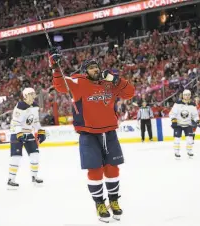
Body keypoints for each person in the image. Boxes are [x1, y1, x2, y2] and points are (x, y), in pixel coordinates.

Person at [49, 48, 135, 223]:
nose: (95, 70)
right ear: (85, 72)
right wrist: (55, 66)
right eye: (91, 68)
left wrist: (116, 79)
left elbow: (130, 93)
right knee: (95, 171)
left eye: (96, 67)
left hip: (109, 132)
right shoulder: (78, 82)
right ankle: (99, 204)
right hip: (88, 134)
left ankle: (114, 201)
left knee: (112, 169)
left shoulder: (109, 83)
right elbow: (59, 85)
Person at [7, 88, 46, 188]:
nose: (33, 96)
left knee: (35, 154)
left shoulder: (35, 106)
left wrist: (40, 131)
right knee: (16, 156)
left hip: (28, 133)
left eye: (34, 93)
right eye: (31, 94)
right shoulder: (20, 106)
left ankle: (34, 177)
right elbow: (16, 122)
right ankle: (11, 180)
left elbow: (35, 121)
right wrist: (19, 134)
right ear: (25, 96)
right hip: (16, 132)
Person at [169, 90, 199, 158]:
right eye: (185, 95)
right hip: (178, 124)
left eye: (188, 95)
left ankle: (189, 151)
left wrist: (198, 120)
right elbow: (172, 113)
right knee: (177, 139)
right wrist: (173, 120)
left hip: (188, 124)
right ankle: (176, 152)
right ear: (183, 95)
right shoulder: (177, 104)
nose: (187, 96)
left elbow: (195, 115)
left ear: (190, 95)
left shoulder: (192, 105)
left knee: (190, 139)